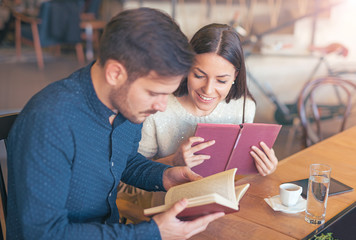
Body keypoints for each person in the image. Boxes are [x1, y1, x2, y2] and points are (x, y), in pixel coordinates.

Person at [6, 8, 224, 240]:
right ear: (115, 73)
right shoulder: (48, 121)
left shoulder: (128, 105)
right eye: (154, 93)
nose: (161, 106)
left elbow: (123, 160)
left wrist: (164, 176)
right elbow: (43, 234)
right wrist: (151, 233)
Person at [119, 23, 279, 208]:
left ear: (235, 75)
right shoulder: (159, 107)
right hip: (170, 207)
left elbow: (240, 170)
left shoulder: (244, 106)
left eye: (221, 80)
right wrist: (173, 161)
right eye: (199, 75)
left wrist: (265, 165)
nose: (208, 89)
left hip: (224, 203)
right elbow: (131, 171)